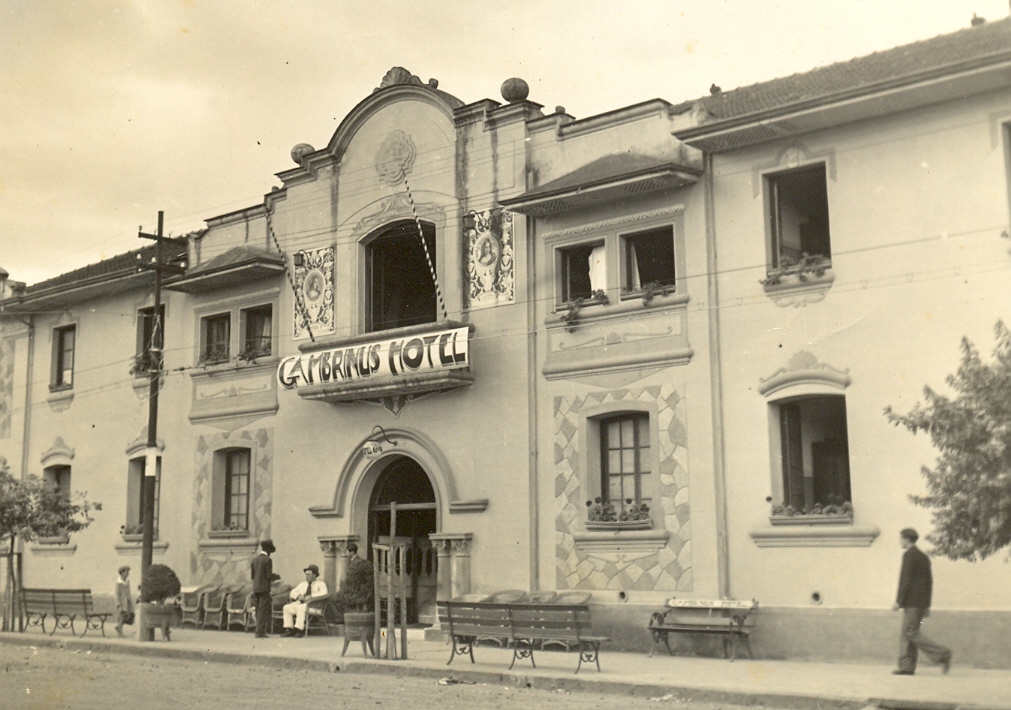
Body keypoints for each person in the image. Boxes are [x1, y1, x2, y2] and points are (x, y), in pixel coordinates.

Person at [893, 527, 952, 675]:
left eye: (901, 538)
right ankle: (907, 667)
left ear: (906, 539)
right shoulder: (923, 557)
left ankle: (942, 654)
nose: (900, 541)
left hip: (911, 602)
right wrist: (927, 605)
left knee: (909, 631)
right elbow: (929, 582)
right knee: (910, 632)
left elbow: (905, 580)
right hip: (920, 603)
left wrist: (899, 600)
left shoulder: (909, 555)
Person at [282, 564, 328, 637]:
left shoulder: (321, 584)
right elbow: (293, 592)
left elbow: (324, 594)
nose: (306, 576)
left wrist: (312, 596)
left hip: (315, 607)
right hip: (302, 605)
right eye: (306, 574)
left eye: (309, 574)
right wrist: (298, 596)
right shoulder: (303, 584)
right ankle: (289, 629)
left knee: (301, 608)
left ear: (314, 575)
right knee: (287, 607)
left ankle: (299, 630)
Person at [250, 539, 279, 639]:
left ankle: (258, 630)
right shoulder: (268, 560)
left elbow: (252, 575)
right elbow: (269, 575)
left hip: (255, 588)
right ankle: (260, 632)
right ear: (268, 550)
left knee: (258, 610)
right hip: (264, 588)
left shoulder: (255, 559)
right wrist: (277, 576)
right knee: (263, 610)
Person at [114, 565, 134, 638]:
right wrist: (118, 604)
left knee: (128, 616)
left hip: (127, 602)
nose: (128, 573)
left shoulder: (127, 581)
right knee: (122, 616)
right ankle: (120, 631)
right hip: (122, 603)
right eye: (126, 571)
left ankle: (119, 626)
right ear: (122, 573)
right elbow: (116, 594)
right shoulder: (118, 583)